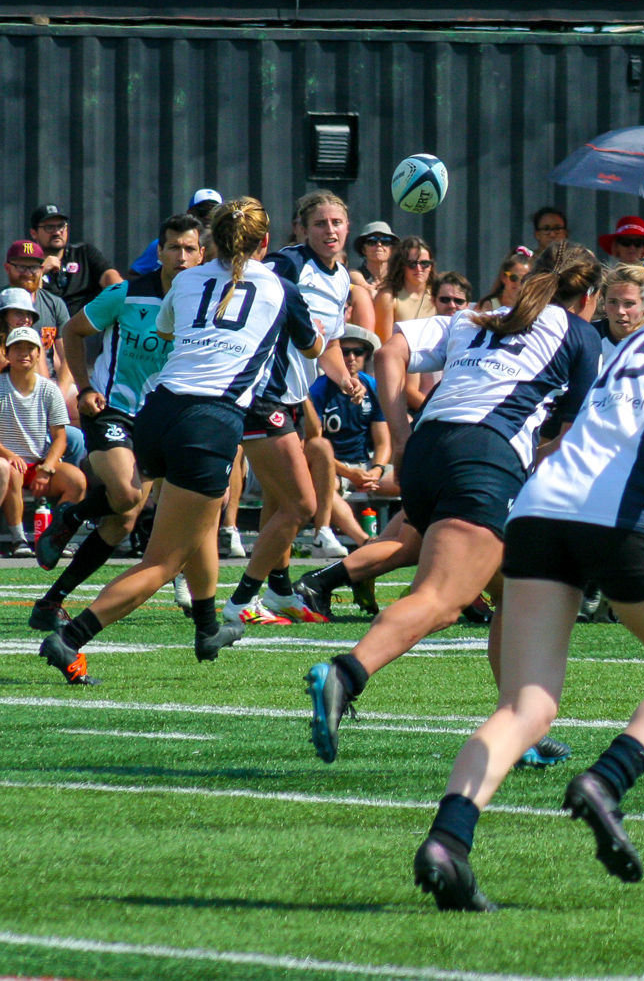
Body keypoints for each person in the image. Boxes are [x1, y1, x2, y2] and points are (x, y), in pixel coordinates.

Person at [404, 224, 644, 911]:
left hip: (543, 505)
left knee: (526, 704)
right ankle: (606, 780)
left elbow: (614, 446)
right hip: (618, 515)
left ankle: (449, 839)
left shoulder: (642, 333)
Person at [303, 242, 606, 765]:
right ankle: (346, 674)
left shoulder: (475, 317)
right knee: (442, 600)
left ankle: (518, 730)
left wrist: (399, 435)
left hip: (428, 453)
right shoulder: (579, 335)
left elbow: (387, 350)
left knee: (516, 591)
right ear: (589, 297)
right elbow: (571, 435)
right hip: (483, 457)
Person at [38, 197, 322, 685]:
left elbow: (169, 328)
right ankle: (71, 637)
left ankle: (208, 627)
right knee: (162, 560)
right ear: (266, 244)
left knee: (200, 527)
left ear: (210, 243)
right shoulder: (281, 286)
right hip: (208, 423)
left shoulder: (188, 279)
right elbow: (313, 346)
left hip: (159, 411)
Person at [34, 214, 207, 628]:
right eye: (173, 248)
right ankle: (71, 516)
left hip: (158, 419)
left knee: (122, 519)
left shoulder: (203, 307)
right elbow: (72, 332)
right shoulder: (125, 294)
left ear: (202, 255)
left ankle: (51, 602)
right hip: (111, 409)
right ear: (159, 251)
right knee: (130, 497)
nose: (181, 257)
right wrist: (85, 386)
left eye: (190, 249)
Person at [222, 191, 359, 621]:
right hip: (262, 394)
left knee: (279, 502)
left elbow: (328, 343)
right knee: (299, 505)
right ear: (300, 229)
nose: (330, 230)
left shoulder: (342, 277)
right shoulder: (287, 265)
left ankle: (280, 590)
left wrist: (344, 378)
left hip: (291, 398)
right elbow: (249, 293)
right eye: (320, 223)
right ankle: (242, 599)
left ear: (347, 227)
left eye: (336, 222)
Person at [305, 325, 398, 551]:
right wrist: (350, 473)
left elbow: (383, 441)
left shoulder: (371, 385)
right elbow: (312, 444)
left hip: (366, 464)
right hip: (333, 468)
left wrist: (375, 470)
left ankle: (418, 540)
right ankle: (364, 540)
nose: (351, 357)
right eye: (345, 352)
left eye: (358, 352)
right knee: (322, 486)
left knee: (415, 477)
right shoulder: (319, 389)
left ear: (367, 356)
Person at [0, 326, 85, 556]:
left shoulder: (49, 389)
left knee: (76, 481)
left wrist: (46, 468)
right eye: (17, 348)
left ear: (39, 354)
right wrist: (8, 455)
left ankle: (56, 537)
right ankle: (19, 540)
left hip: (39, 463)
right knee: (9, 470)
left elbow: (60, 438)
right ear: (6, 353)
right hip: (7, 464)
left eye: (30, 348)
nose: (24, 353)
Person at [6, 241, 75, 404]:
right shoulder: (3, 304)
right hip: (8, 382)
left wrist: (58, 395)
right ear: (7, 268)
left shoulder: (55, 304)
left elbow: (70, 357)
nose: (28, 273)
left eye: (34, 267)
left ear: (42, 269)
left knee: (82, 403)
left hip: (49, 383)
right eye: (21, 267)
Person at [30, 203, 121, 316]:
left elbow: (109, 276)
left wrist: (121, 294)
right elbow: (26, 300)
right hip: (47, 329)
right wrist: (41, 270)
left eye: (61, 226)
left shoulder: (84, 253)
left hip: (85, 327)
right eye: (49, 227)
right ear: (34, 233)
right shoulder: (29, 264)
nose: (57, 232)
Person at [128, 190, 221, 277]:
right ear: (190, 213)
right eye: (202, 211)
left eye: (215, 212)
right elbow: (133, 276)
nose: (207, 216)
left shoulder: (225, 249)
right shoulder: (164, 243)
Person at [374, 236, 437, 340]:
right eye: (411, 264)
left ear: (431, 266)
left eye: (425, 264)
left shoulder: (439, 295)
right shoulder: (388, 297)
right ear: (401, 266)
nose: (418, 268)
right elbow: (384, 344)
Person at [599, 263, 644, 359]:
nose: (620, 311)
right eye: (613, 302)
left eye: (629, 303)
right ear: (604, 302)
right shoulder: (588, 336)